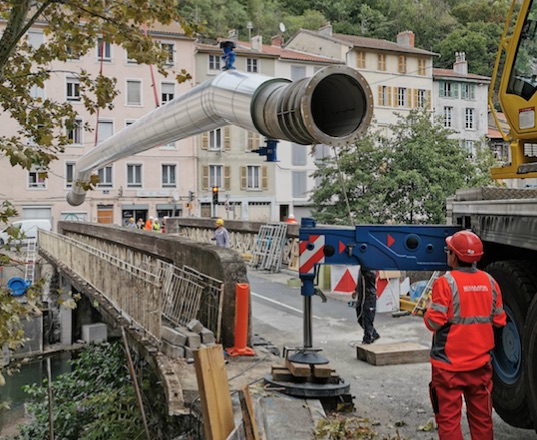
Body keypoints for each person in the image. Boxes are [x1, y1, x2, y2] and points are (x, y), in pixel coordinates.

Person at [424, 230, 506, 440]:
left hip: (448, 369)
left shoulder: (445, 283)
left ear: (453, 255)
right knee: (482, 421)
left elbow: (433, 322)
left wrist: (429, 308)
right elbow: (499, 321)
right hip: (480, 367)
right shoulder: (490, 282)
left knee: (449, 422)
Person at [352, 268, 380, 344]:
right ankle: (373, 334)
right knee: (360, 317)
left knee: (367, 318)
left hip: (369, 296)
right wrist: (356, 290)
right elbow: (361, 280)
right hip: (362, 297)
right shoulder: (362, 268)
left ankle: (367, 338)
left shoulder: (370, 269)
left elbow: (370, 277)